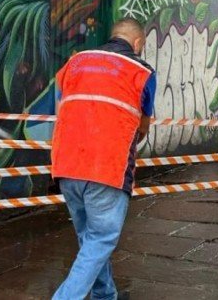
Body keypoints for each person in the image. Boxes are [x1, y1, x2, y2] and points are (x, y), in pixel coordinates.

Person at [51, 18, 156, 300]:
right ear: (137, 44)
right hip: (107, 167)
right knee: (100, 240)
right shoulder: (141, 71)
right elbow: (143, 126)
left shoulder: (76, 61)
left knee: (90, 239)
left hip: (66, 164)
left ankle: (105, 295)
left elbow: (62, 103)